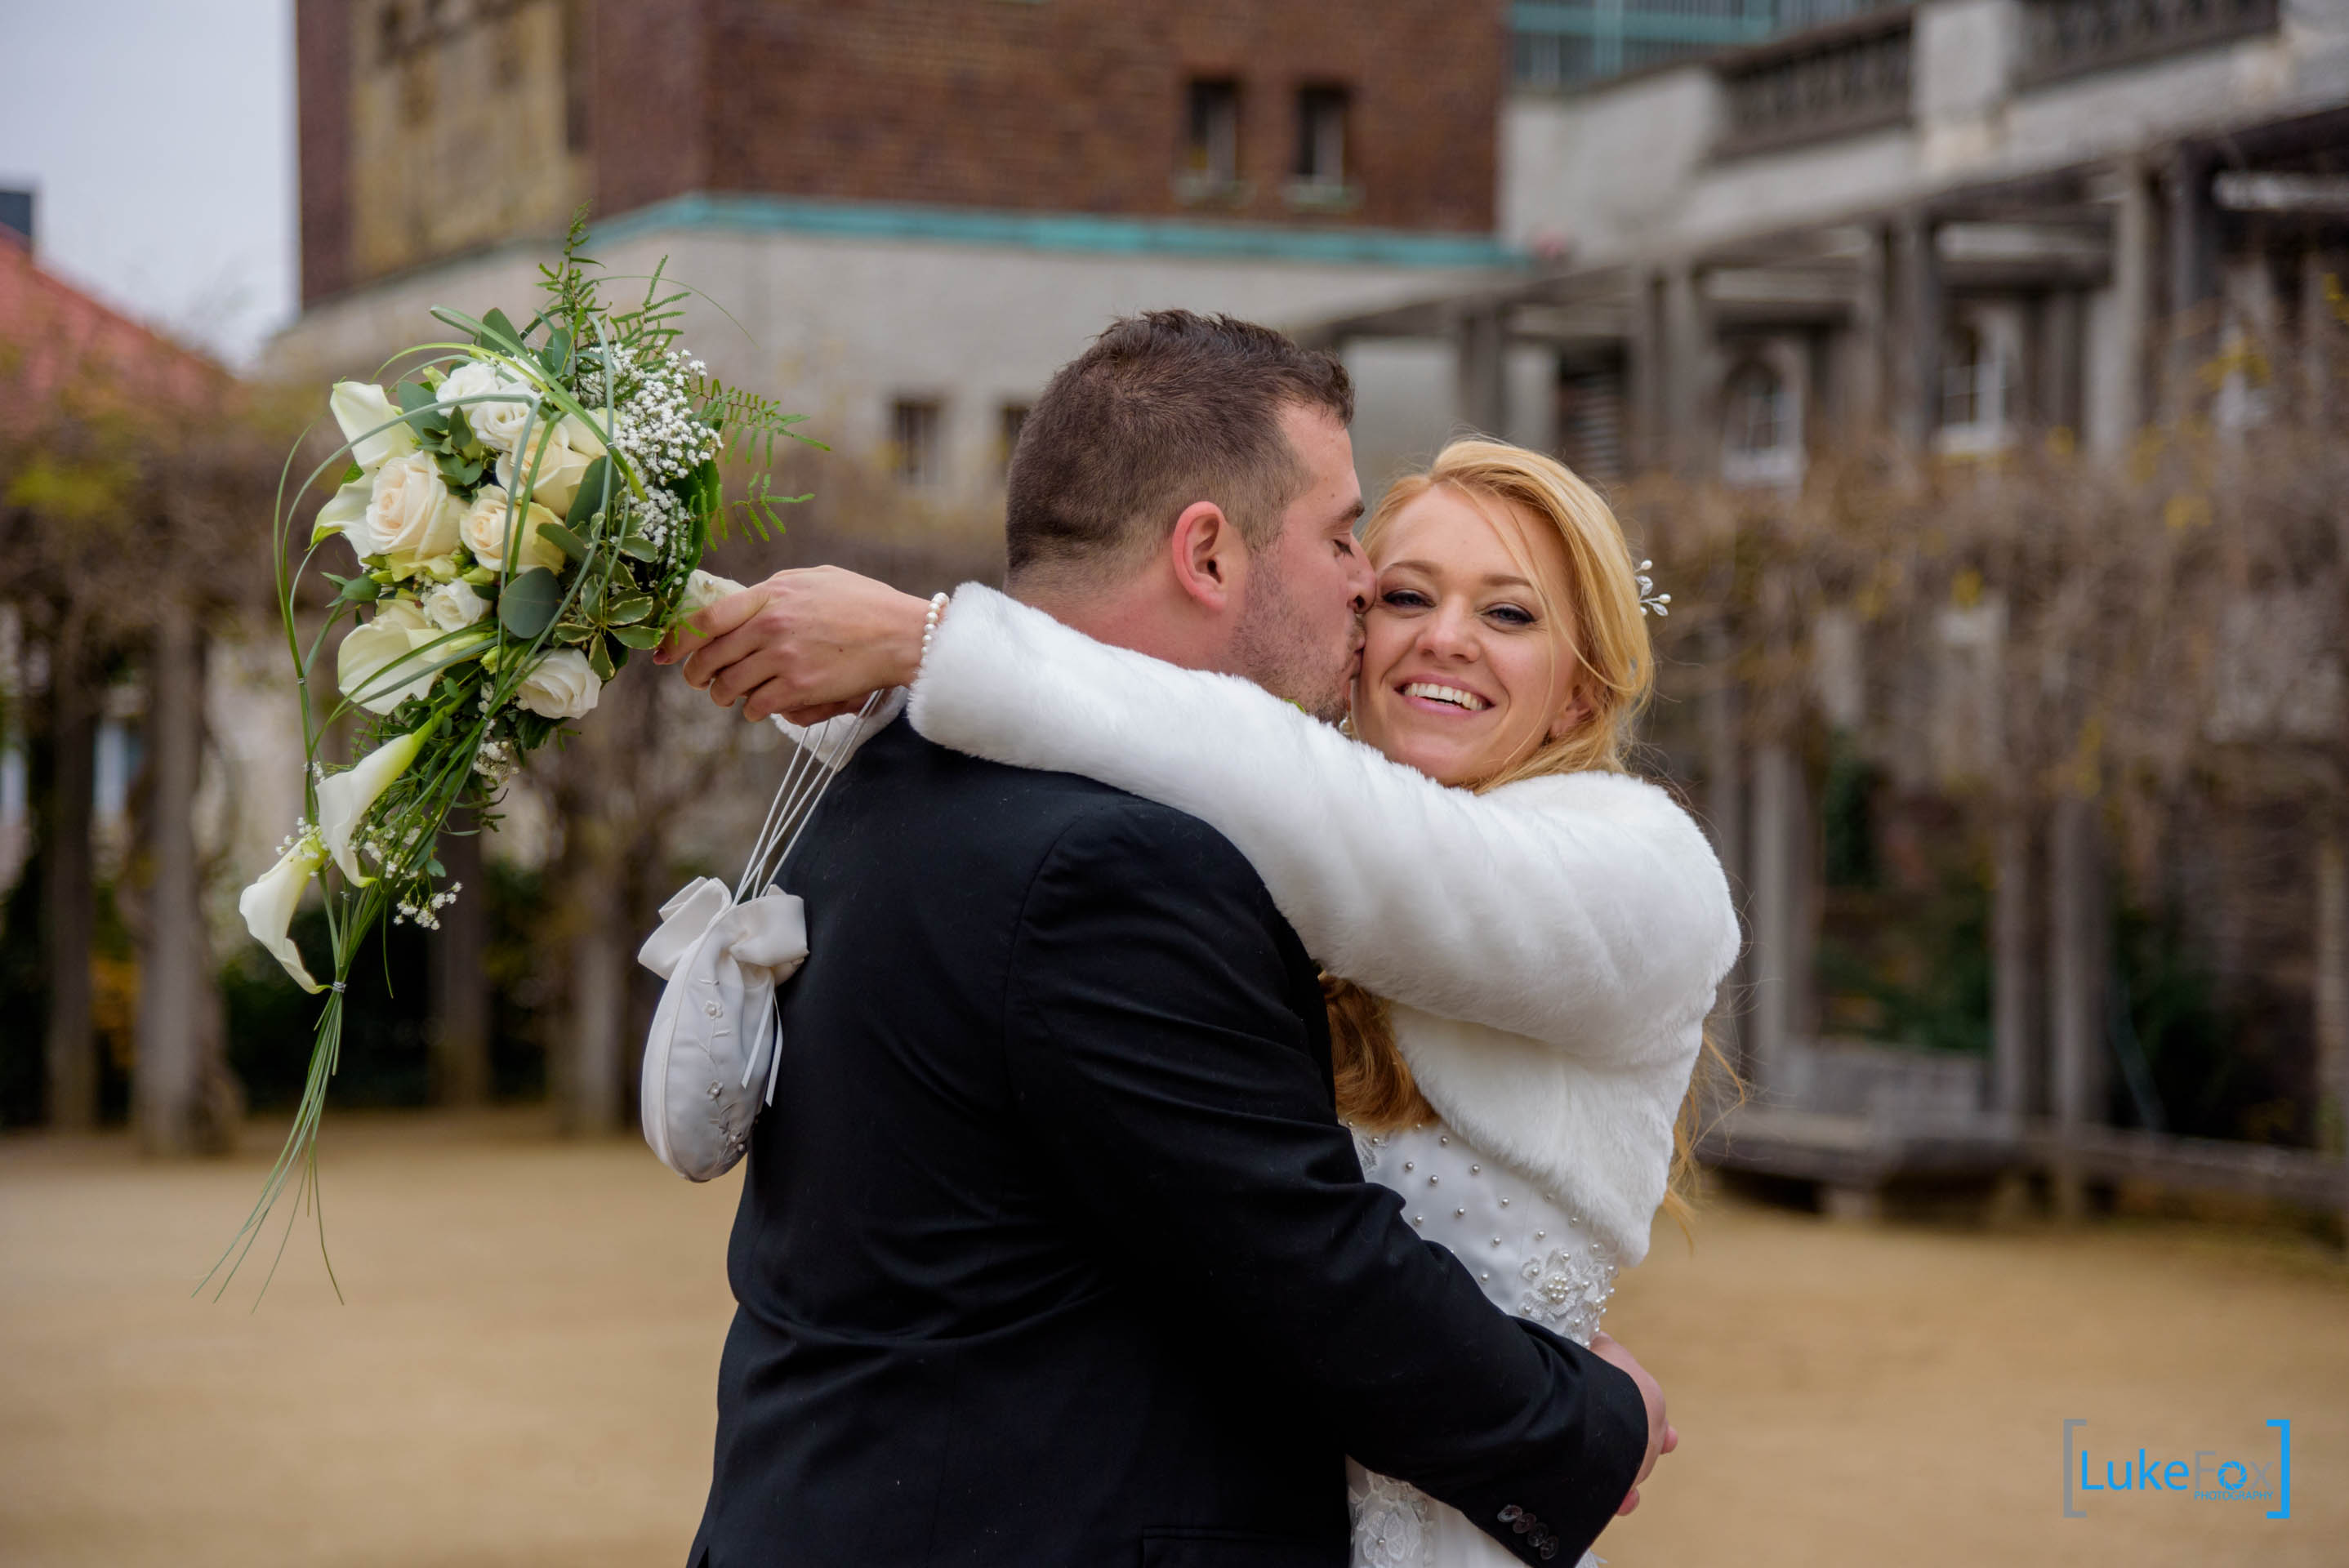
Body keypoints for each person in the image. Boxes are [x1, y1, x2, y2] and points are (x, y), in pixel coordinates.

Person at [661, 312, 1675, 1568]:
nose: (1365, 587)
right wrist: (1589, 1422)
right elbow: (1308, 1269)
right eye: (1342, 537)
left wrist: (936, 646)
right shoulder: (1111, 862)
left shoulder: (892, 768)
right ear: (1207, 553)